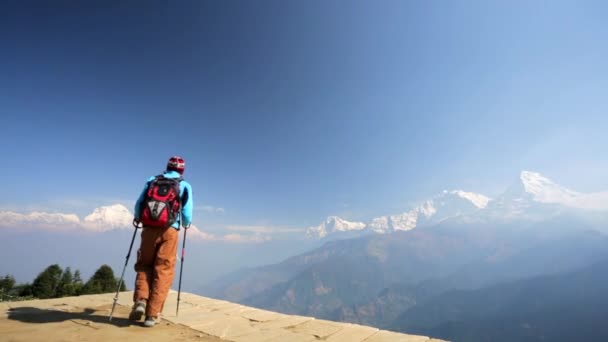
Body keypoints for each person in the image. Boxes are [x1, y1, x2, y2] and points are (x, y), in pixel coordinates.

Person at [129, 156, 193, 327]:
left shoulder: (152, 180)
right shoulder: (184, 185)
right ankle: (153, 314)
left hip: (148, 229)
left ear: (167, 167)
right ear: (182, 170)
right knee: (163, 270)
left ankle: (141, 300)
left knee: (144, 265)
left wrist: (138, 218)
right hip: (170, 231)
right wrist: (186, 224)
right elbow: (187, 214)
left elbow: (139, 203)